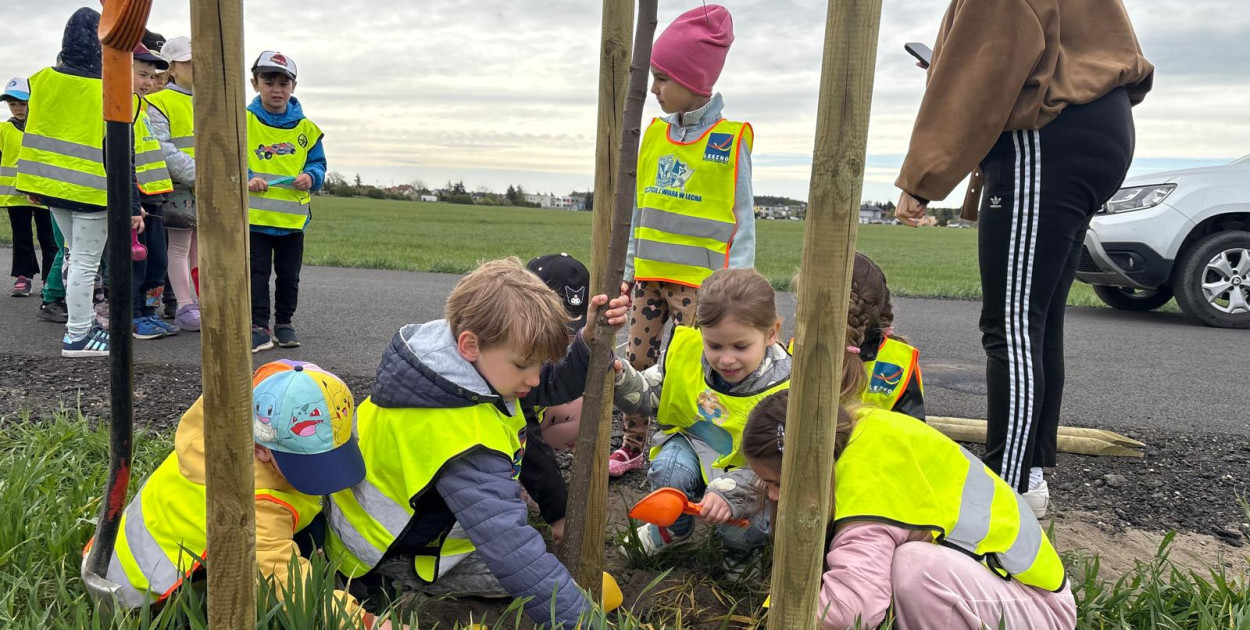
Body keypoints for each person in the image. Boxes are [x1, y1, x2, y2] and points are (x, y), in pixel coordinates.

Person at [893, 0, 1153, 517]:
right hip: (1098, 127)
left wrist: (922, 179)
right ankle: (1027, 476)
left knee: (1010, 323)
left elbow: (984, 69)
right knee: (1037, 319)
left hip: (1047, 133)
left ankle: (1004, 496)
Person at [323, 258, 630, 628]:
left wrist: (587, 342)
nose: (535, 379)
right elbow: (513, 551)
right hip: (381, 556)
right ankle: (390, 590)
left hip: (407, 532)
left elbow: (548, 380)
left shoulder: (447, 361)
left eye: (538, 364)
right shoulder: (460, 440)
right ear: (470, 345)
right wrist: (584, 623)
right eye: (524, 366)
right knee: (534, 572)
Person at [82, 360, 391, 626]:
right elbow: (286, 584)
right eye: (307, 465)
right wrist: (363, 622)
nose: (326, 477)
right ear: (259, 449)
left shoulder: (217, 434)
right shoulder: (248, 501)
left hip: (110, 554)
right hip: (142, 598)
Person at [742, 390, 1075, 630]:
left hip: (1040, 612)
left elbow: (853, 609)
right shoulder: (856, 430)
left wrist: (784, 620)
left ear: (810, 468)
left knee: (914, 567)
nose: (772, 495)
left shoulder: (868, 490)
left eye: (778, 483)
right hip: (998, 591)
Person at [613, 4, 756, 477]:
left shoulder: (730, 141)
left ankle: (689, 445)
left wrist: (739, 286)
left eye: (662, 79)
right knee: (635, 362)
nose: (653, 89)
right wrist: (628, 269)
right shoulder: (652, 135)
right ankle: (632, 444)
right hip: (649, 281)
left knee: (692, 368)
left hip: (702, 288)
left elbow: (742, 220)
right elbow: (639, 211)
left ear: (694, 80)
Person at [611, 268, 783, 578]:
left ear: (771, 333)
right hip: (694, 445)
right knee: (668, 470)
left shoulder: (783, 385)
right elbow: (650, 394)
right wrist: (621, 377)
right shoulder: (687, 354)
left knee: (745, 522)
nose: (726, 359)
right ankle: (673, 527)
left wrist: (729, 492)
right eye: (714, 346)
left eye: (740, 347)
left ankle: (742, 549)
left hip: (751, 472)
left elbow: (778, 465)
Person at [16, 8, 144, 357]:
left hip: (49, 188)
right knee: (86, 262)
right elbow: (123, 155)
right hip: (91, 190)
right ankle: (78, 335)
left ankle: (82, 325)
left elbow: (33, 132)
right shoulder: (110, 90)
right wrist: (133, 205)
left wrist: (32, 185)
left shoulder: (41, 80)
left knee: (75, 257)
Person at [246, 51, 326, 352]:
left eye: (284, 83)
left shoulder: (307, 129)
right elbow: (231, 156)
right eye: (269, 82)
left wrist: (311, 176)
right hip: (254, 220)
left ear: (293, 87)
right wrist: (248, 178)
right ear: (255, 84)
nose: (276, 90)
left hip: (292, 221)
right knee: (256, 276)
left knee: (289, 278)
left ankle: (284, 324)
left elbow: (318, 164)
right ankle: (258, 326)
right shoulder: (243, 121)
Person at [791, 253, 925, 420]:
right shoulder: (901, 361)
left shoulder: (795, 352)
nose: (796, 315)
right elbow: (912, 430)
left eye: (801, 305)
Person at [147, 35, 200, 331]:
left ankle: (204, 301)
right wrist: (199, 175)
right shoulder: (158, 102)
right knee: (179, 246)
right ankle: (184, 305)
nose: (196, 66)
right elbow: (162, 148)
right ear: (172, 68)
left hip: (206, 189)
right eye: (188, 62)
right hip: (179, 187)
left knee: (200, 248)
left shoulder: (210, 100)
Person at [130, 44, 178, 340]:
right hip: (137, 201)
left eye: (152, 76)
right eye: (142, 74)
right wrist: (132, 203)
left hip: (153, 198)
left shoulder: (141, 109)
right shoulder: (120, 112)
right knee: (137, 262)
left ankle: (149, 311)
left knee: (158, 262)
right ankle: (133, 316)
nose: (149, 82)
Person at [1, 78, 59, 300]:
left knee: (48, 238)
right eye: (12, 104)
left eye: (22, 103)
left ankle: (50, 278)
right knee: (21, 237)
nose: (17, 108)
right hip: (15, 195)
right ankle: (23, 275)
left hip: (43, 192)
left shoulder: (44, 128)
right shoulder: (4, 129)